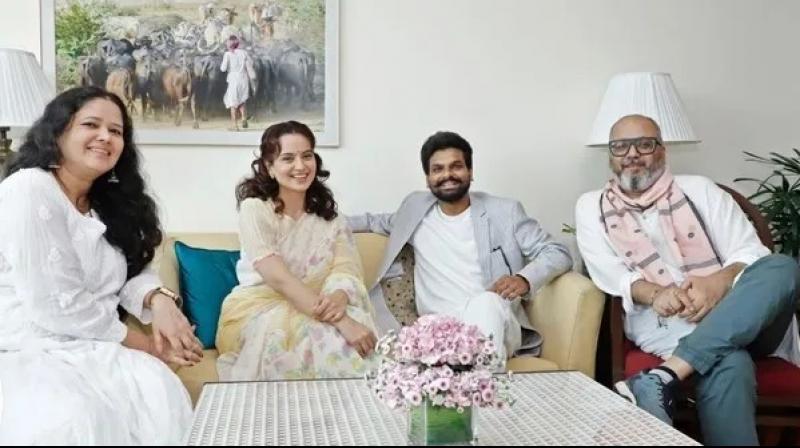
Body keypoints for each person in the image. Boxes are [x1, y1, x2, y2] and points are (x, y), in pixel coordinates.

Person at [575, 114, 800, 445]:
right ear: (610, 155)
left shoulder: (700, 189)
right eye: (620, 146)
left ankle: (664, 374)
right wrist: (656, 294)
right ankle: (676, 370)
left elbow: (750, 251)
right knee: (730, 363)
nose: (632, 154)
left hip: (745, 316)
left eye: (644, 144)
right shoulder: (591, 206)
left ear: (662, 150)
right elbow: (609, 272)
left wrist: (718, 283)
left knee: (780, 266)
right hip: (667, 323)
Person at [0, 86, 202, 444]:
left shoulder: (105, 203)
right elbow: (57, 305)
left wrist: (160, 300)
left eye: (116, 131)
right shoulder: (29, 188)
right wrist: (148, 345)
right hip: (35, 348)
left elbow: (128, 270)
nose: (105, 137)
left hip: (97, 349)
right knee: (76, 419)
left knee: (159, 392)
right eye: (91, 125)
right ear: (58, 131)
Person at [348, 131, 572, 363]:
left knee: (486, 302)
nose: (447, 175)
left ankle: (480, 377)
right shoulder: (414, 209)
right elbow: (371, 221)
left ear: (470, 172)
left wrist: (524, 279)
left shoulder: (504, 212)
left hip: (495, 320)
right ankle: (466, 373)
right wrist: (322, 218)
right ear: (428, 178)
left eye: (456, 166)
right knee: (431, 339)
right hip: (436, 333)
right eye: (438, 169)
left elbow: (557, 252)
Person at [216, 120, 378, 380]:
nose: (300, 166)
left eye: (307, 156)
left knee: (363, 335)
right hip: (261, 309)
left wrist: (339, 298)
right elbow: (279, 278)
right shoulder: (255, 210)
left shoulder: (332, 220)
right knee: (320, 337)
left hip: (322, 304)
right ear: (269, 167)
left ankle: (359, 406)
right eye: (288, 158)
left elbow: (346, 268)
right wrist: (341, 320)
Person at [220, 35, 253, 131]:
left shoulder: (227, 54)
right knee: (242, 100)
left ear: (229, 44)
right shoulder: (244, 52)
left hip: (234, 79)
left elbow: (223, 69)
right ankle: (243, 118)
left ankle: (234, 125)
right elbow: (251, 63)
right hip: (244, 78)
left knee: (233, 103)